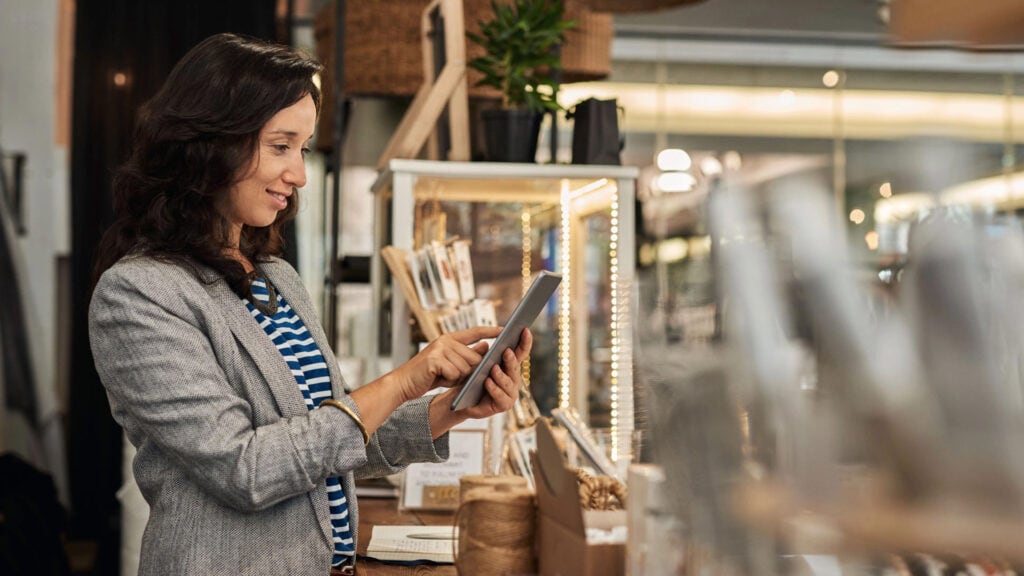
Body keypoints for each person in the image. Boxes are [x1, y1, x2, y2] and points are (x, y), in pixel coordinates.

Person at [88, 33, 532, 576]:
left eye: (302, 149)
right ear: (210, 142)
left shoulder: (276, 277)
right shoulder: (139, 293)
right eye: (281, 146)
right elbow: (246, 469)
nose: (298, 175)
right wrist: (401, 382)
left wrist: (449, 409)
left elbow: (331, 444)